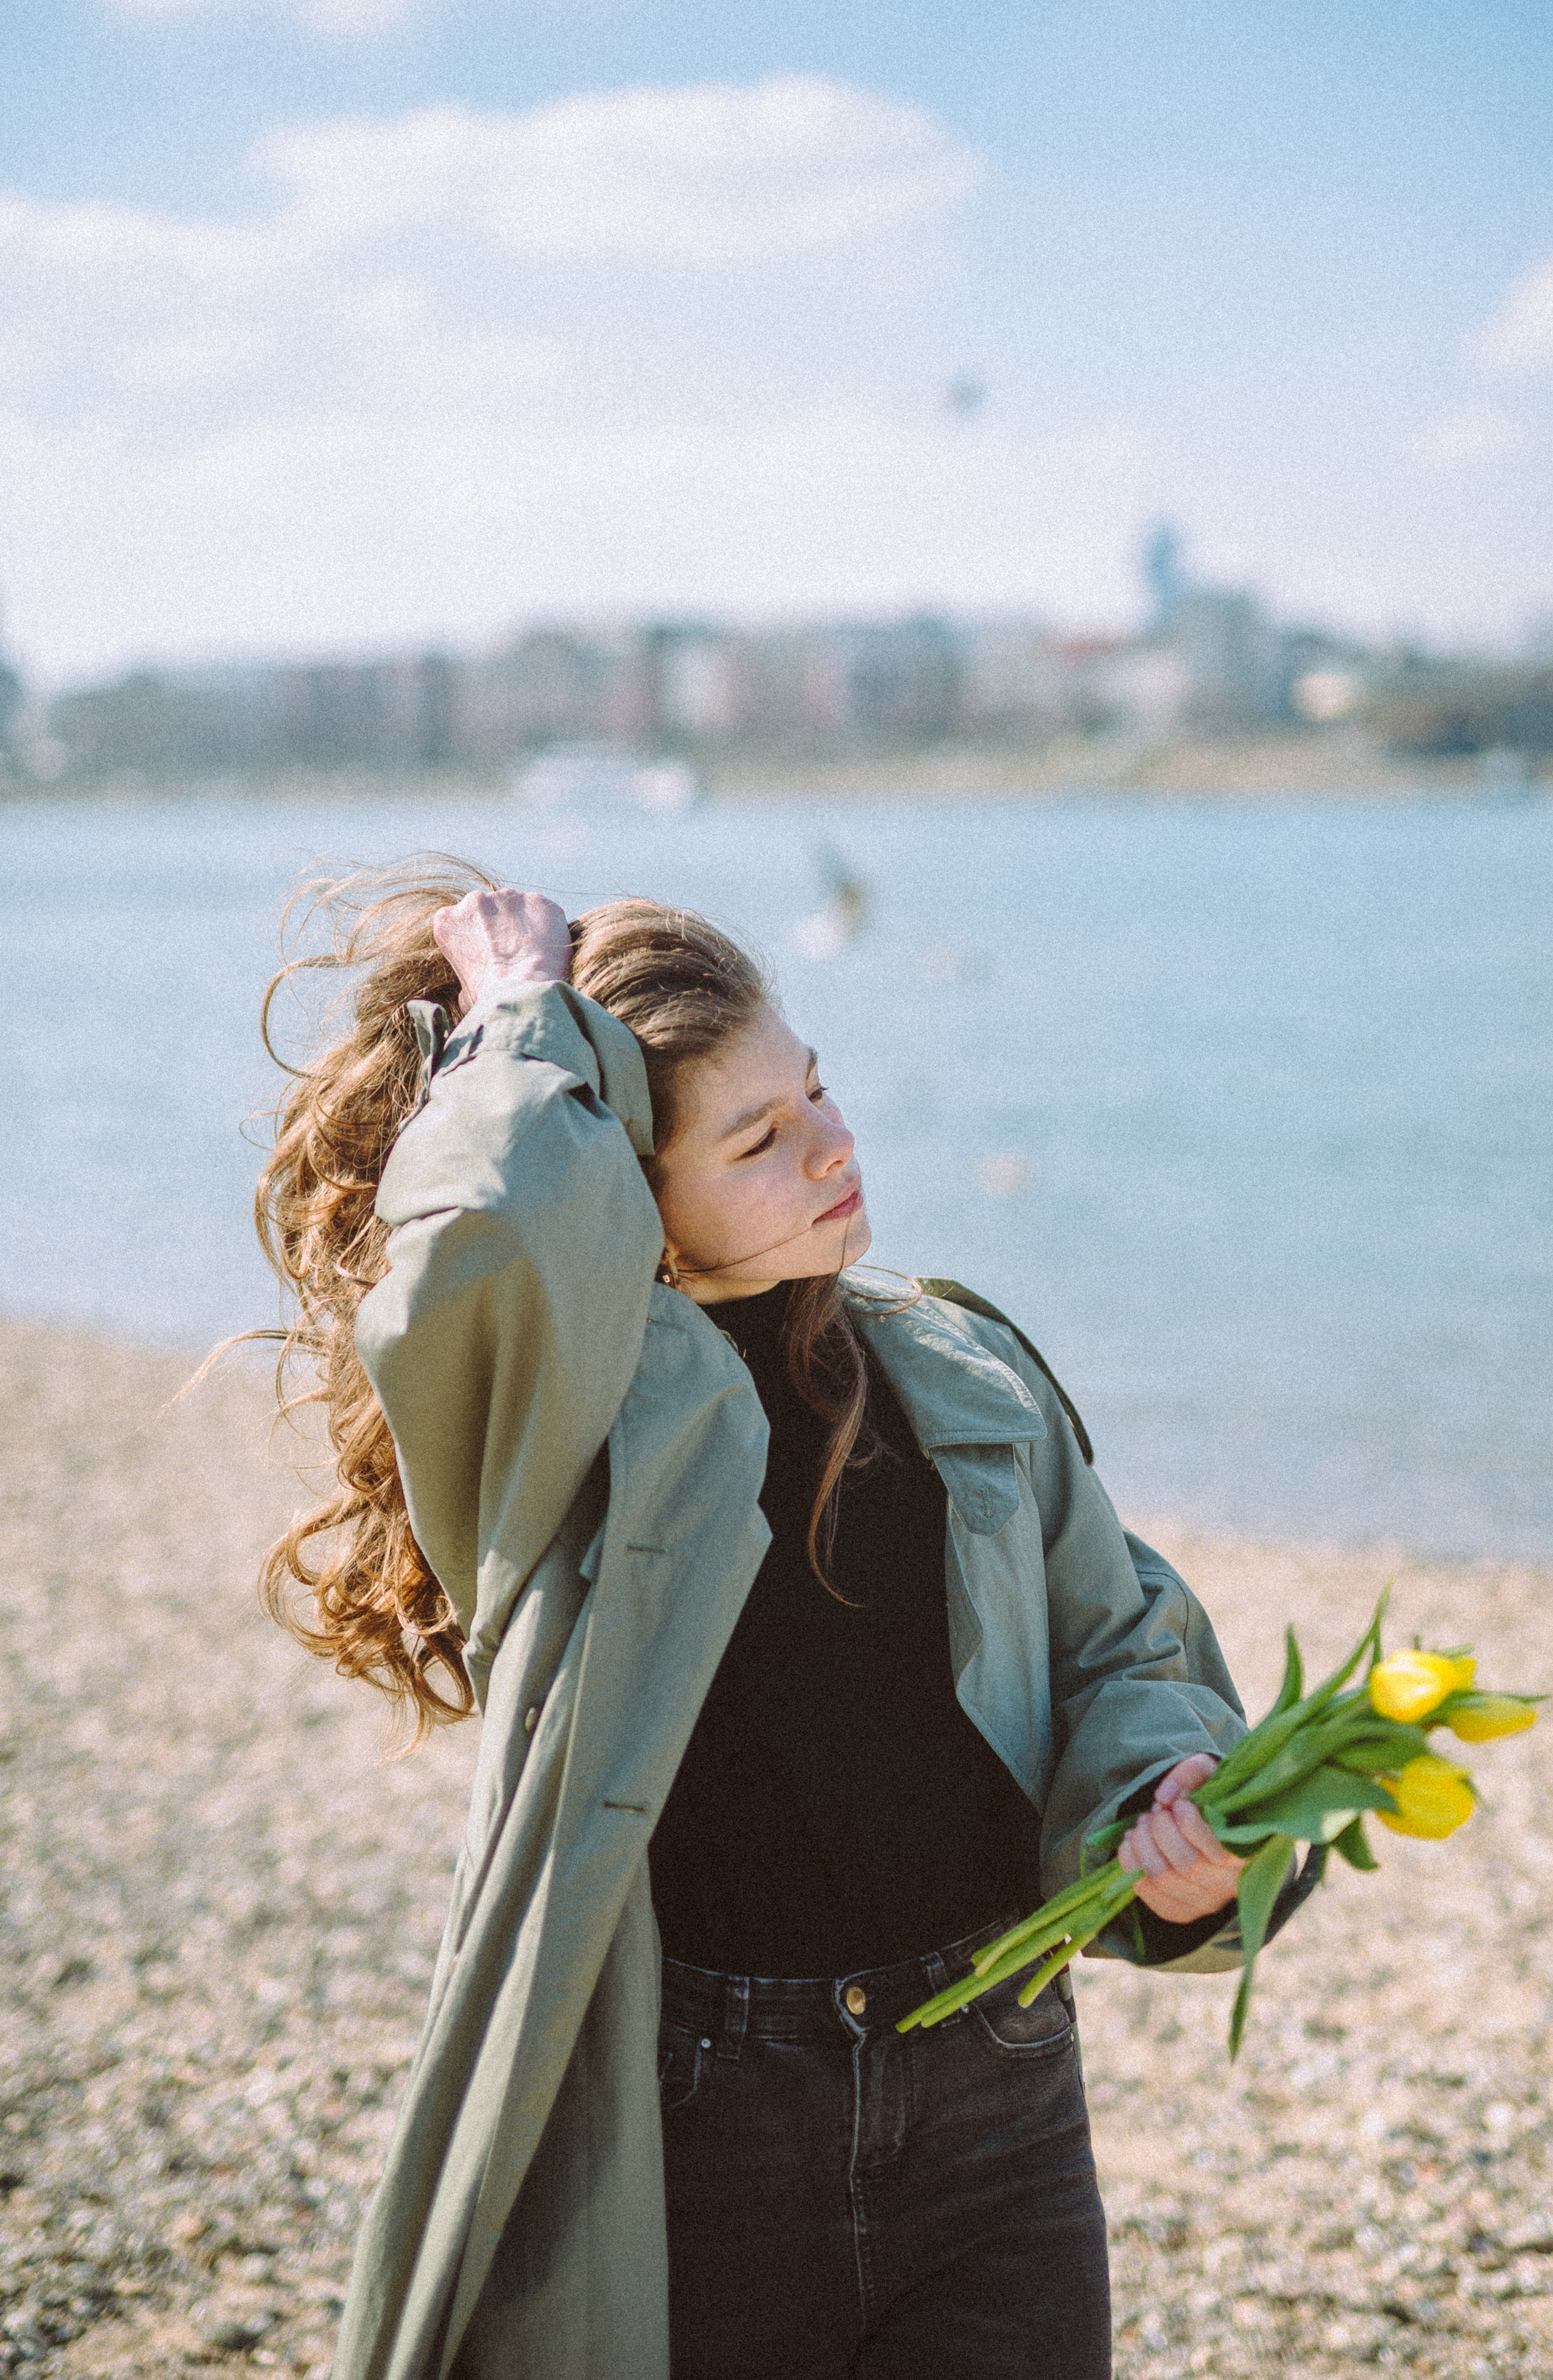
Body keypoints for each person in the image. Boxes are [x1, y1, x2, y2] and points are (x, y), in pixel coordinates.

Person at [255, 867, 1295, 2380]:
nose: (834, 1146)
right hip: (697, 2120)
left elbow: (1117, 1647)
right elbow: (480, 1238)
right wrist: (519, 1031)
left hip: (997, 2095)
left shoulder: (958, 1366)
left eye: (816, 1090)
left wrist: (1168, 1820)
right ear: (631, 1202)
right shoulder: (561, 1436)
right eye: (757, 1137)